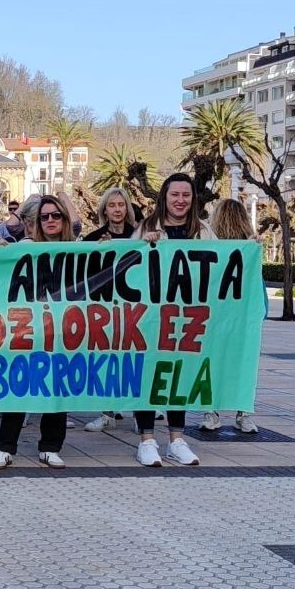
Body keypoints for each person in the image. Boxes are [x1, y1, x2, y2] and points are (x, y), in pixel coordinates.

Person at [131, 172, 212, 467]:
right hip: (150, 320)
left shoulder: (203, 232)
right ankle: (147, 441)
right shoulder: (145, 228)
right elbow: (127, 266)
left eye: (186, 195)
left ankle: (177, 440)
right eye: (175, 194)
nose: (180, 200)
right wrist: (143, 245)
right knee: (148, 376)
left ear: (193, 199)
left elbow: (222, 265)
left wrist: (249, 248)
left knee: (179, 375)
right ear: (164, 197)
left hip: (186, 320)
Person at [0, 193, 76, 470]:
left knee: (57, 386)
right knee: (19, 385)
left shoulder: (79, 250)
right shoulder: (25, 247)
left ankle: (51, 447)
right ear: (37, 222)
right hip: (27, 327)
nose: (50, 220)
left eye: (56, 215)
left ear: (65, 219)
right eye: (44, 216)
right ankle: (5, 447)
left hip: (62, 329)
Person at [199, 198, 261, 435]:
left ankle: (211, 412)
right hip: (242, 316)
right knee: (242, 362)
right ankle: (243, 413)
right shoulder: (249, 246)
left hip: (213, 314)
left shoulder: (210, 243)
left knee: (211, 362)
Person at [80, 186, 136, 433]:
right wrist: (98, 251)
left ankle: (139, 412)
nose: (117, 210)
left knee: (133, 360)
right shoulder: (93, 239)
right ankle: (106, 412)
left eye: (121, 205)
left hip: (134, 307)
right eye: (112, 205)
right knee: (106, 360)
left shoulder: (139, 236)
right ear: (104, 210)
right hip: (104, 309)